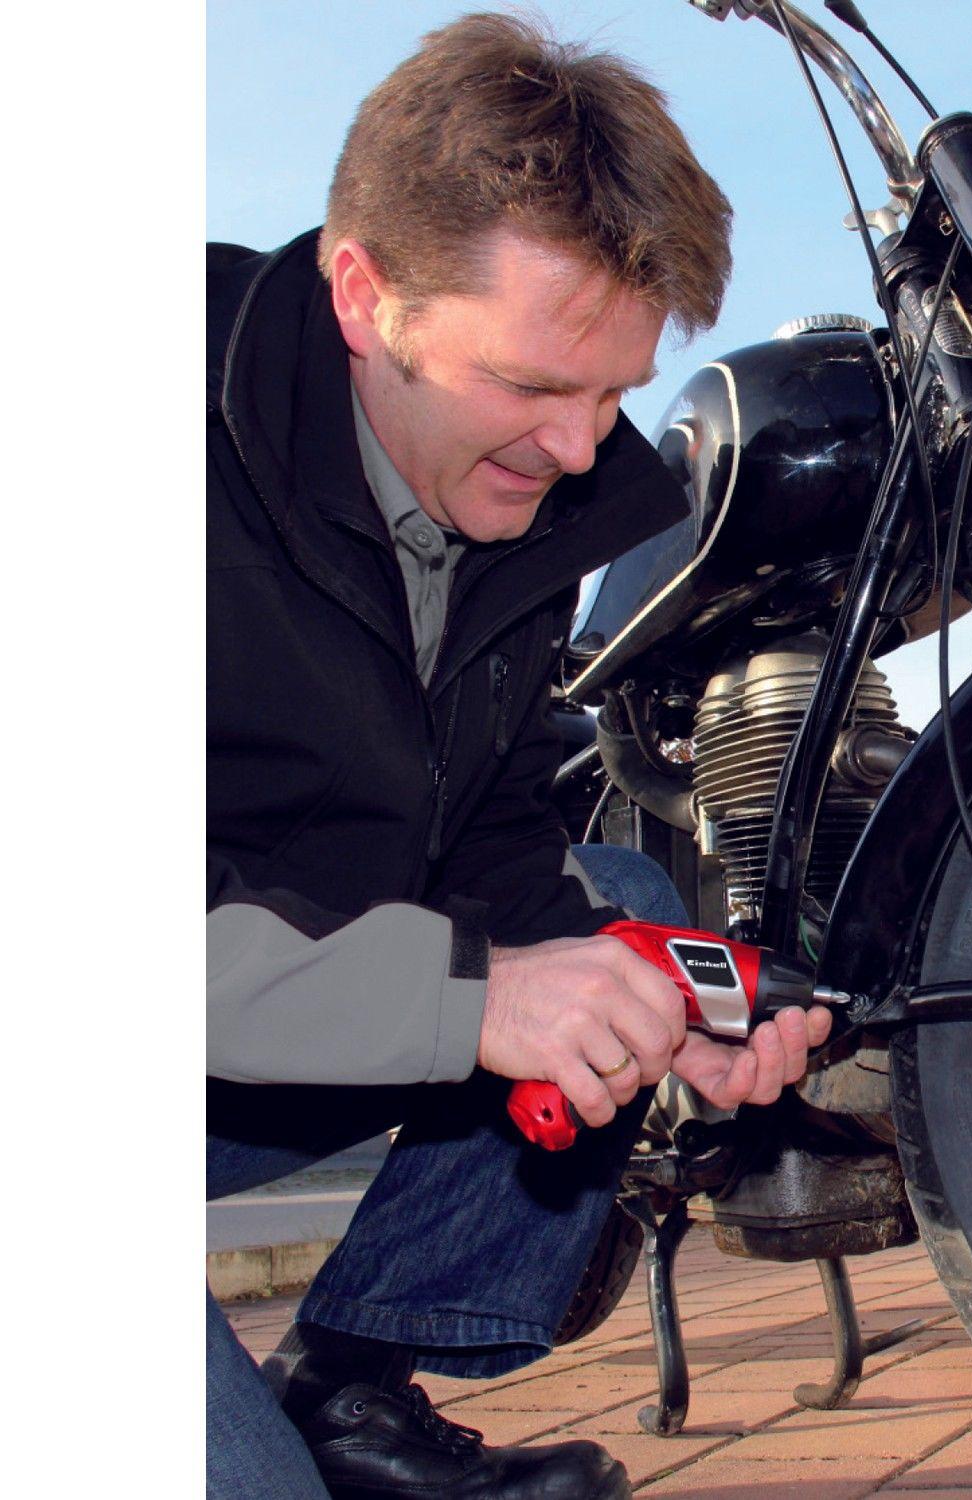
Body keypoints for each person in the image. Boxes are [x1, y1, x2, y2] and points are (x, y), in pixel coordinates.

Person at [207, 12, 832, 1496]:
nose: (577, 451)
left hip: (228, 1029)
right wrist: (477, 1000)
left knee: (622, 920)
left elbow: (484, 838)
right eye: (534, 388)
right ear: (363, 295)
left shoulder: (514, 502)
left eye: (612, 393)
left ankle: (349, 1396)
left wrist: (659, 1017)